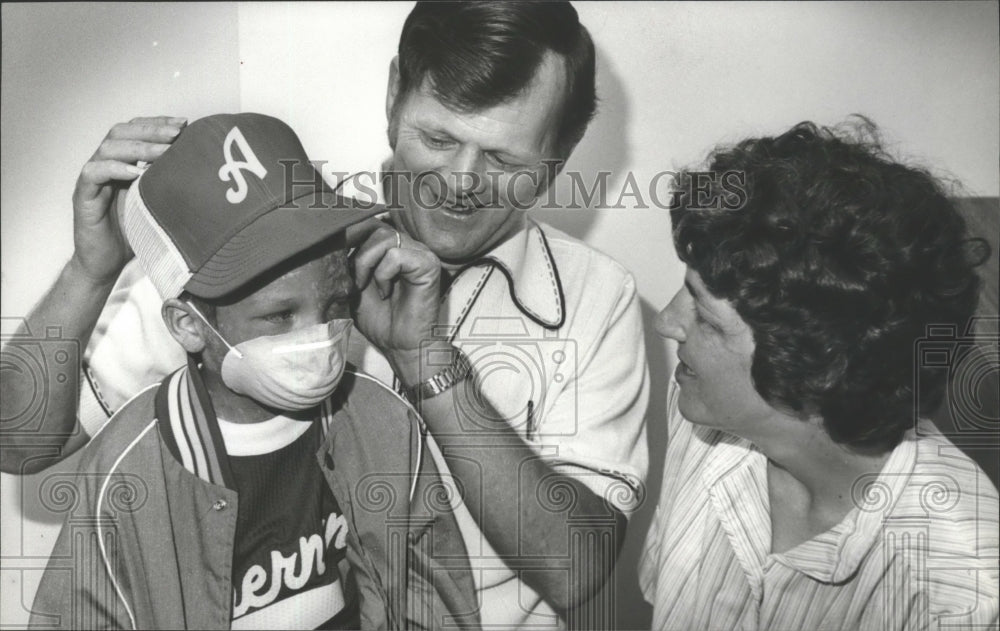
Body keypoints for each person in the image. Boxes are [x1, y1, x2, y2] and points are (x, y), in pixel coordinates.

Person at [0, 2, 649, 627]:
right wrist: (91, 270)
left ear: (558, 158)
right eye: (438, 137)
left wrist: (427, 364)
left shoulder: (599, 294)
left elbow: (575, 570)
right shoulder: (258, 233)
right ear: (395, 94)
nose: (460, 178)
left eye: (503, 159)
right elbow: (20, 441)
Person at [28, 113, 479, 630]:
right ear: (190, 326)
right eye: (279, 315)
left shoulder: (380, 422)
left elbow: (433, 597)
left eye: (335, 304)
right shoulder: (130, 472)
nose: (319, 336)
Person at [639, 120, 999, 630]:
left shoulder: (968, 588)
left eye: (704, 315)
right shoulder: (703, 423)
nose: (665, 322)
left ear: (814, 367)